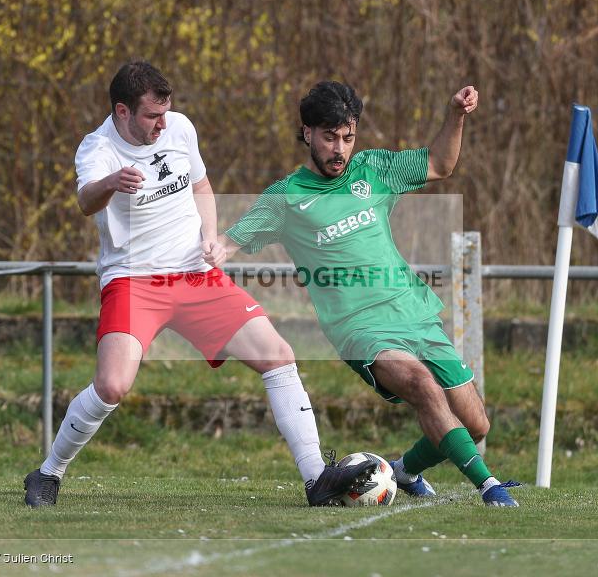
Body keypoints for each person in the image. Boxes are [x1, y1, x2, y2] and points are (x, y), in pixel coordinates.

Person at [24, 63, 375, 508]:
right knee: (112, 386)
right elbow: (84, 200)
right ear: (123, 111)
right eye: (152, 116)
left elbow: (202, 185)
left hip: (196, 275)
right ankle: (48, 474)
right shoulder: (97, 148)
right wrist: (111, 184)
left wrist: (211, 235)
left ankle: (317, 479)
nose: (163, 124)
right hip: (134, 281)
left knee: (279, 355)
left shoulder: (180, 128)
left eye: (166, 113)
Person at [216, 81, 520, 506]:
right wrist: (207, 250)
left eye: (348, 137)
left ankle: (404, 470)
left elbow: (439, 163)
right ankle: (489, 486)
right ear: (307, 133)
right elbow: (227, 243)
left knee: (476, 424)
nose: (339, 148)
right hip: (360, 329)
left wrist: (456, 114)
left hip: (413, 312)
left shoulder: (374, 169)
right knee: (422, 385)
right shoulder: (286, 197)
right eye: (329, 137)